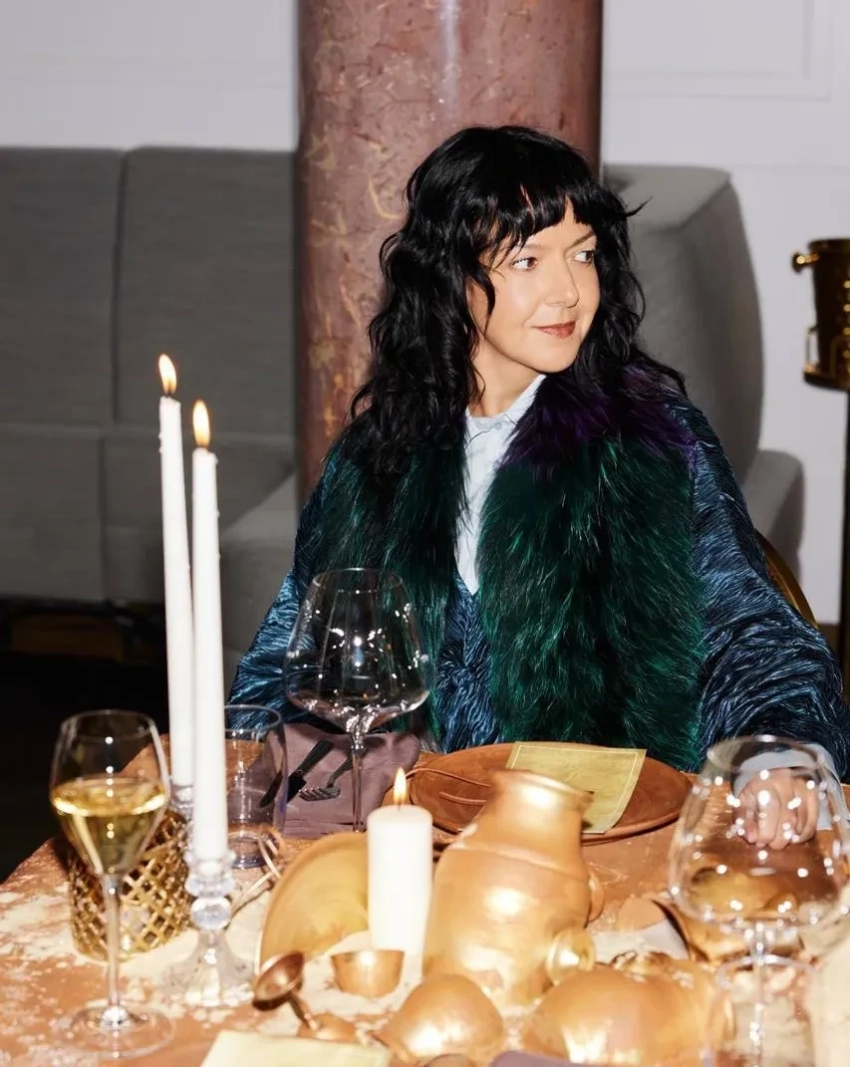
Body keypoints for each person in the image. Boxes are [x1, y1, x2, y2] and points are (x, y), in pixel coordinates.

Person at [230, 125, 849, 842]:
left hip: (593, 842)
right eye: (527, 260)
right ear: (450, 277)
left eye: (583, 254)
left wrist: (778, 758)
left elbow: (750, 634)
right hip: (400, 839)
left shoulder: (649, 442)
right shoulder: (377, 457)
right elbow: (293, 655)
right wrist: (242, 764)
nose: (568, 291)